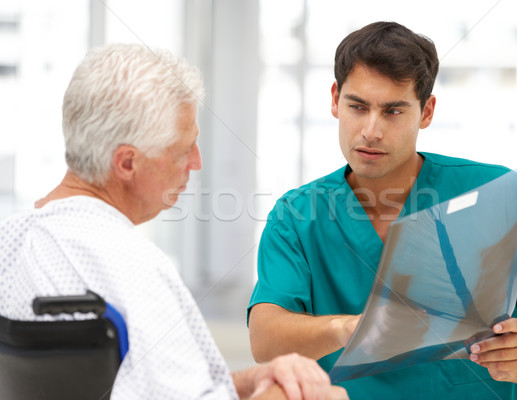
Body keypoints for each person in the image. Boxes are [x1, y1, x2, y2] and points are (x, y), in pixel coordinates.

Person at [247, 21, 517, 399]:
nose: (371, 130)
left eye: (393, 111)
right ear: (334, 100)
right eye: (357, 107)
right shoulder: (296, 217)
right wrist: (351, 329)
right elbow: (265, 340)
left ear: (426, 111)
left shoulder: (499, 193)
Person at [0, 43, 348, 400]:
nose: (195, 162)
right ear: (127, 163)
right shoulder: (131, 266)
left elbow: (135, 387)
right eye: (184, 149)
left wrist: (252, 380)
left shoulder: (11, 239)